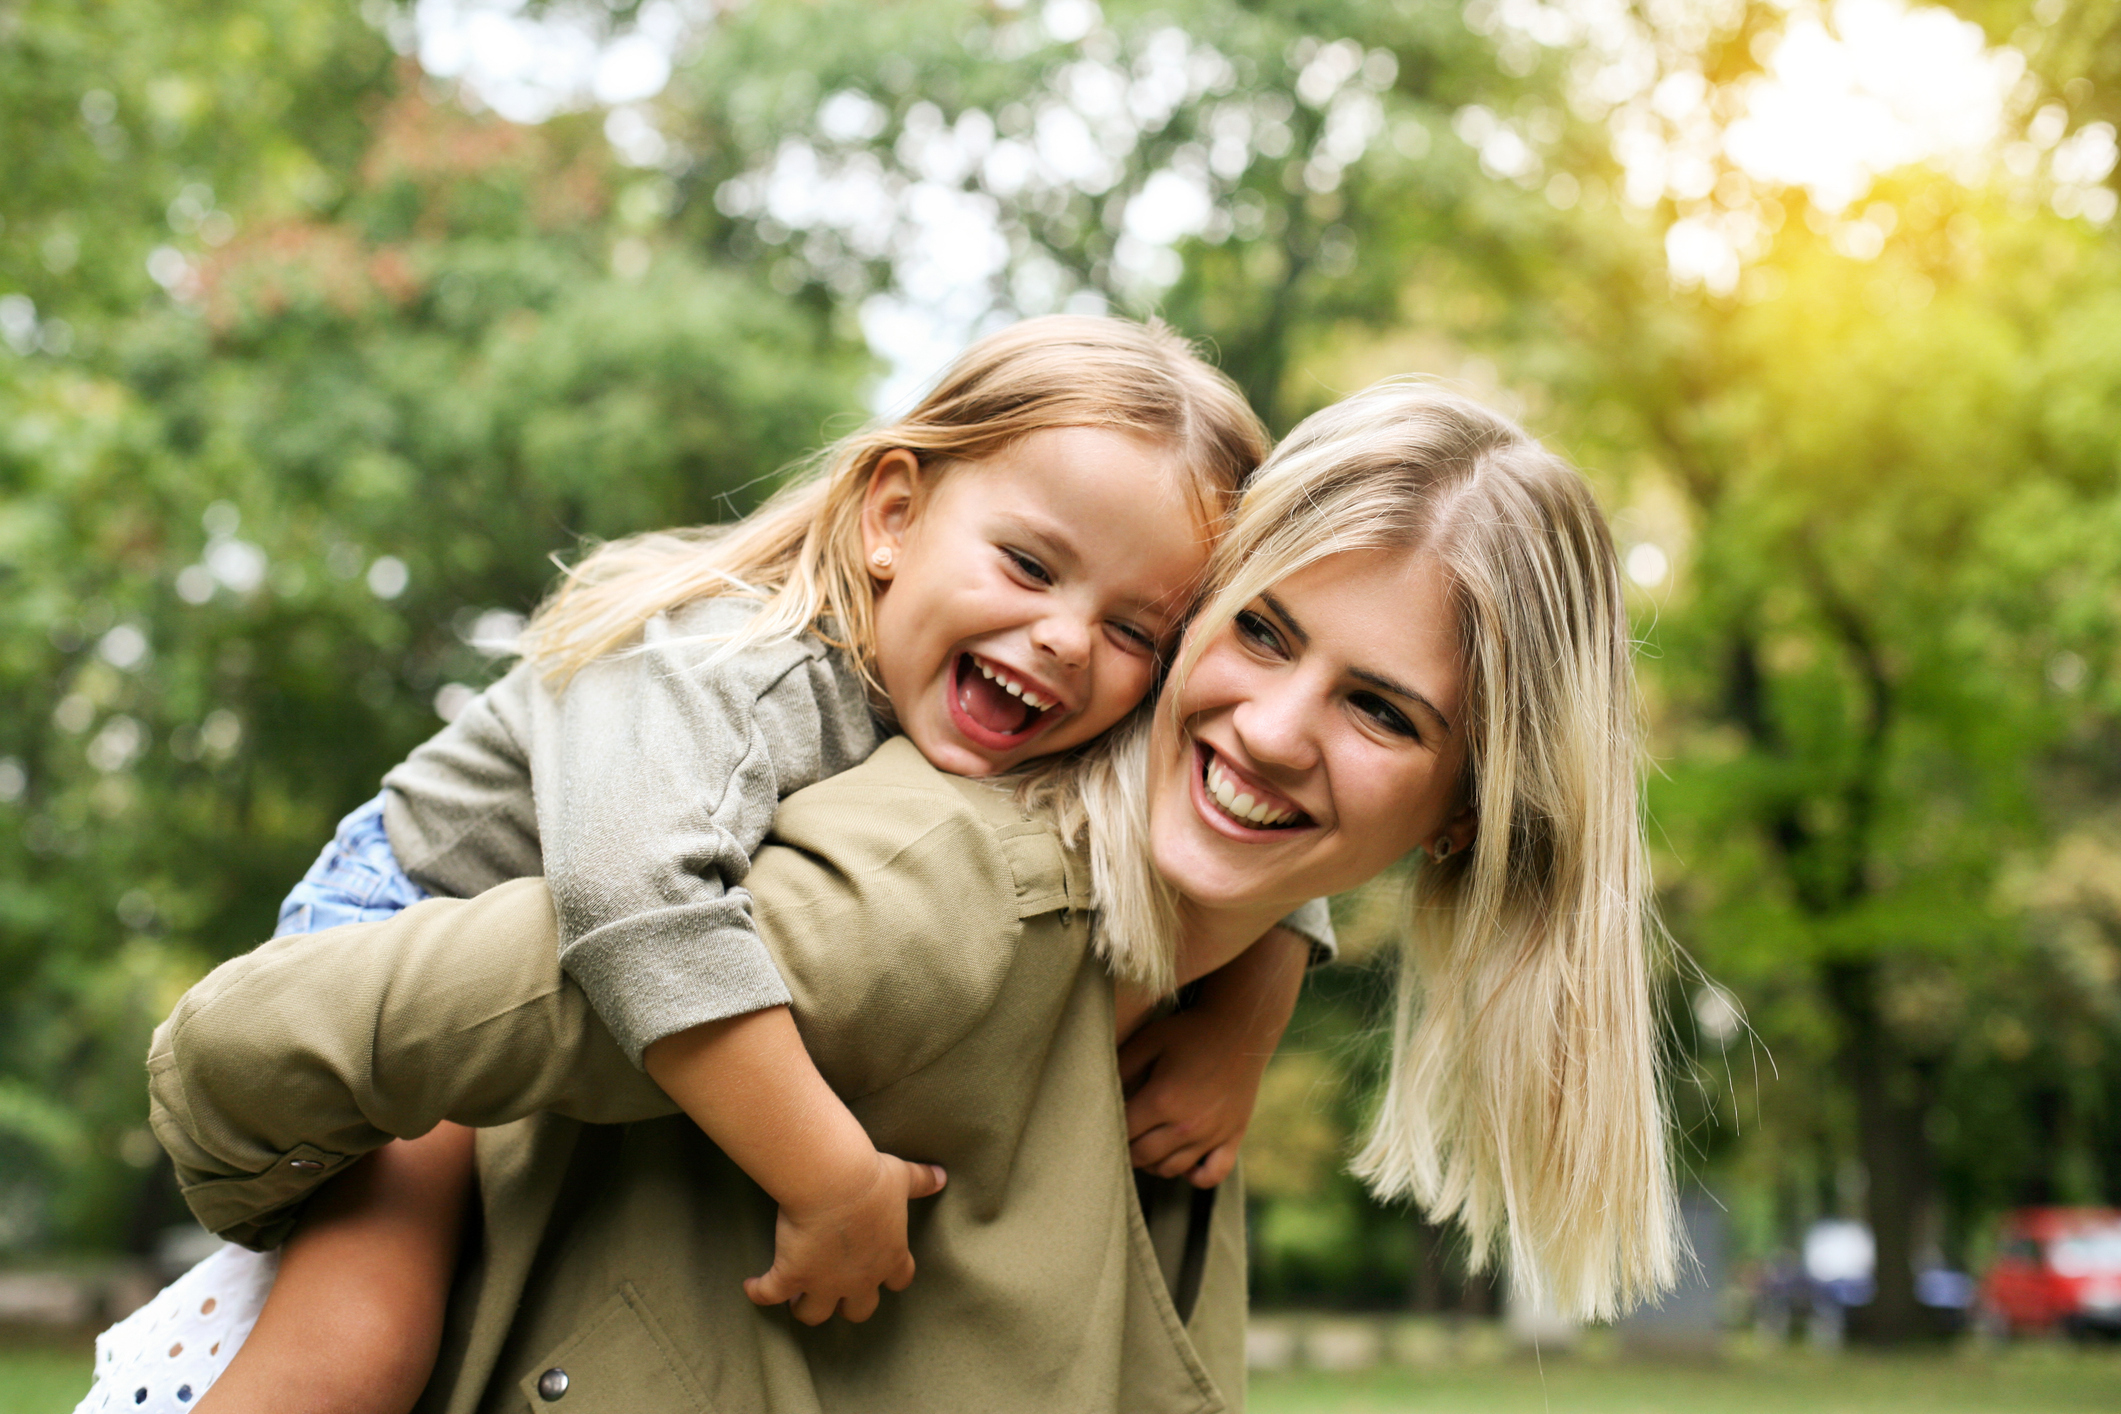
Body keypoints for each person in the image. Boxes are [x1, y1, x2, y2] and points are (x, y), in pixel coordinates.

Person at [128, 379, 1679, 1414]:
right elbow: (308, 1020)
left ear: (1469, 812)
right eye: (1260, 634)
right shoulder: (885, 855)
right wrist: (820, 1165)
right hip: (417, 896)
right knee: (349, 1351)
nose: (1270, 728)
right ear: (890, 516)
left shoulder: (1188, 957)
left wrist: (1259, 992)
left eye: (1382, 711)